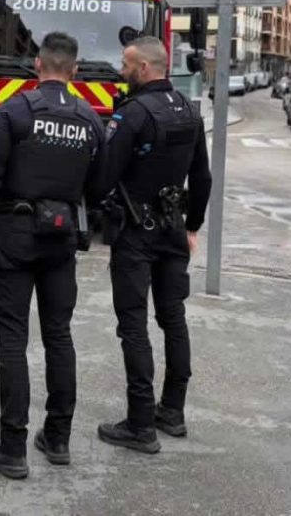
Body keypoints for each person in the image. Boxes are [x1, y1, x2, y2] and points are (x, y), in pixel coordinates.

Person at [0, 32, 106, 480]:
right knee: (59, 337)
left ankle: (12, 449)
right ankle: (58, 438)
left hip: (12, 236)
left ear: (36, 65)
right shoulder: (90, 119)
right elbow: (99, 186)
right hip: (60, 240)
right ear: (75, 70)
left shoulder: (13, 111)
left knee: (12, 341)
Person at [97, 36, 212, 455]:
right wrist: (192, 225)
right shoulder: (187, 110)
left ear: (144, 68)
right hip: (173, 227)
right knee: (173, 318)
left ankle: (140, 424)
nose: (121, 70)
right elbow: (202, 178)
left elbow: (105, 176)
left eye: (127, 64)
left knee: (133, 325)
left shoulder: (133, 115)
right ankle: (173, 412)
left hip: (135, 230)